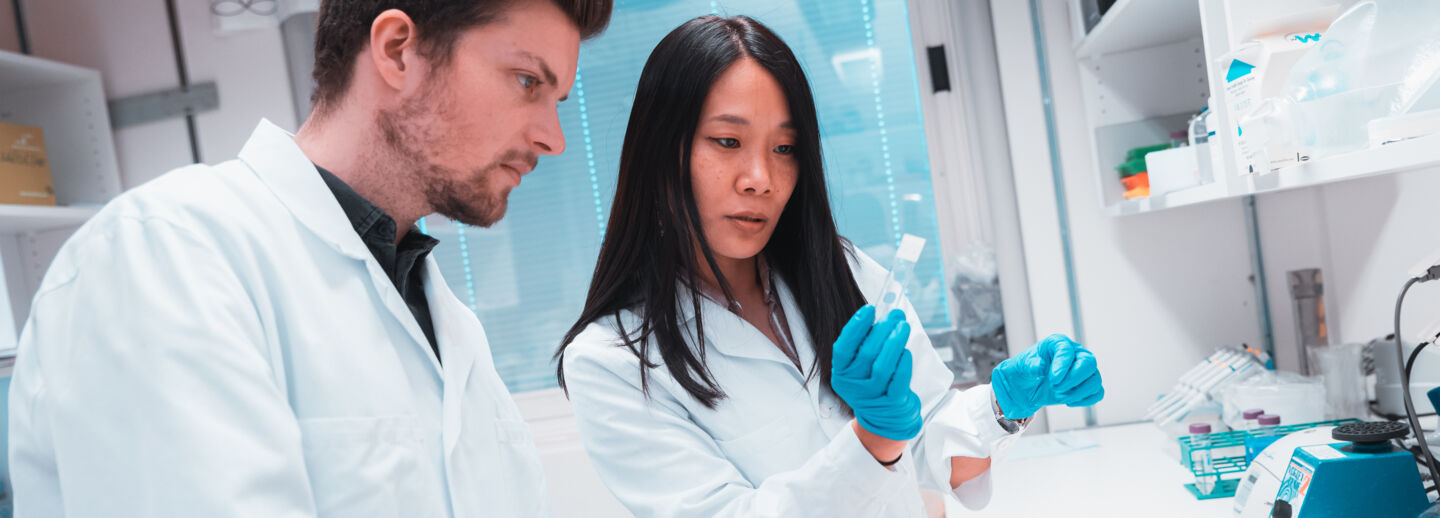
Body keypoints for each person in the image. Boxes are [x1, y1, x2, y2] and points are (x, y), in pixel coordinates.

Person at [7, 0, 610, 516]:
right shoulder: (165, 255)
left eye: (558, 99)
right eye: (527, 82)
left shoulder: (451, 326)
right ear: (398, 51)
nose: (553, 138)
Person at [555, 15, 1105, 517]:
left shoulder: (842, 270)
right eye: (728, 141)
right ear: (660, 151)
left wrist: (1004, 406)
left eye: (785, 149)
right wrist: (873, 441)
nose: (760, 179)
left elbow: (932, 445)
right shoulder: (612, 362)